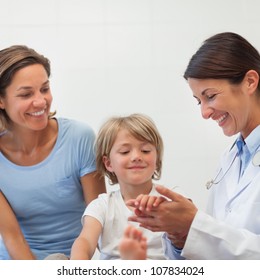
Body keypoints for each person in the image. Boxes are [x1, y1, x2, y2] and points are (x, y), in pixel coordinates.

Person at [128, 32, 260, 259]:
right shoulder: (231, 158)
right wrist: (180, 234)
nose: (205, 113)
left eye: (210, 96)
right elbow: (216, 248)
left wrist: (194, 225)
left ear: (250, 81)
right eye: (199, 101)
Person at [0, 45, 106, 260]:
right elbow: (12, 237)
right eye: (26, 94)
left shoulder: (79, 137)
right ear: (1, 100)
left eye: (45, 89)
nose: (40, 101)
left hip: (73, 260)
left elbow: (98, 217)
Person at [70, 113, 168, 260]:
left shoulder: (171, 199)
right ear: (108, 163)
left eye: (145, 150)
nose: (136, 156)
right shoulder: (102, 206)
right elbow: (84, 241)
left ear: (156, 157)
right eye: (125, 152)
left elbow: (188, 239)